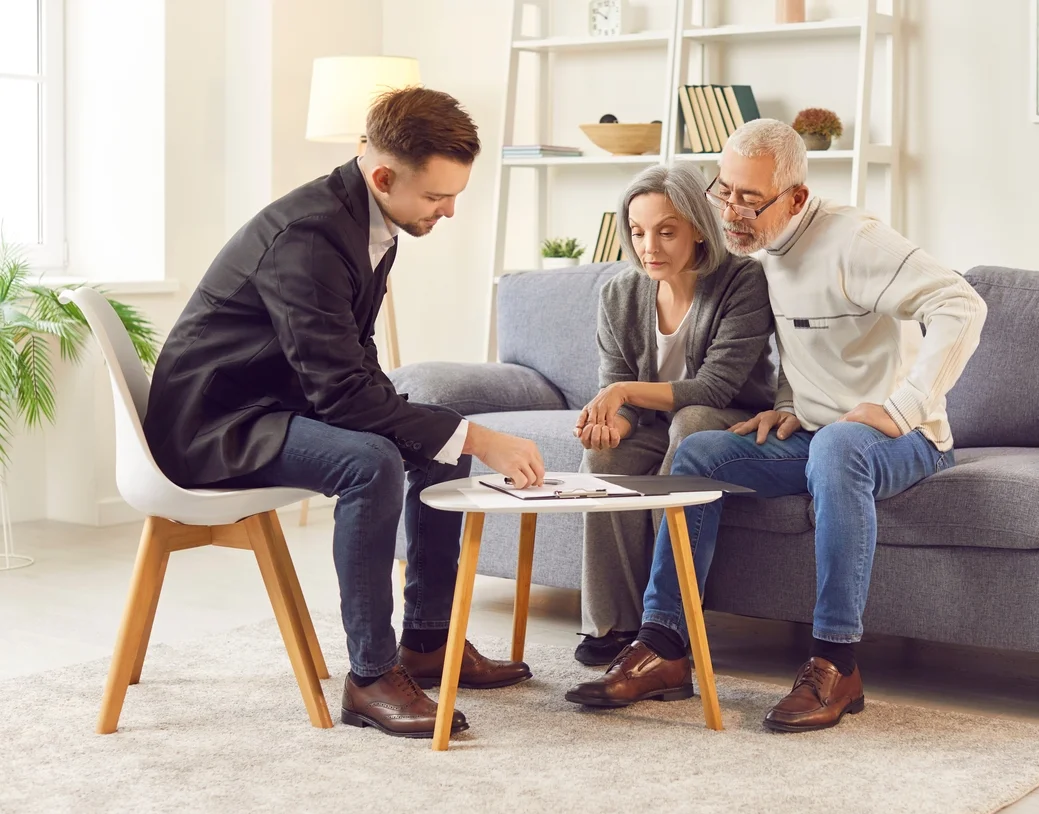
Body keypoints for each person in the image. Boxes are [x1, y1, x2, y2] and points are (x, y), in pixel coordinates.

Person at [144, 88, 546, 740]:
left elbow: (350, 362)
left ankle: (429, 639)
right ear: (383, 176)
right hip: (214, 425)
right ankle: (369, 674)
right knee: (374, 459)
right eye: (437, 197)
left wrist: (453, 432)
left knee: (440, 438)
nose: (448, 211)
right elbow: (340, 394)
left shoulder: (378, 219)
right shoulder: (307, 237)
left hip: (275, 401)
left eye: (456, 195)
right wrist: (477, 434)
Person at [566, 119, 988, 733]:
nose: (730, 212)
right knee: (702, 451)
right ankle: (665, 644)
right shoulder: (761, 252)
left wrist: (906, 407)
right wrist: (790, 403)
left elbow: (961, 305)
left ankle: (835, 662)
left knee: (841, 444)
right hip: (815, 440)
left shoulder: (855, 239)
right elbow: (805, 341)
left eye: (748, 199)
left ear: (794, 197)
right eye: (724, 191)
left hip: (906, 443)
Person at [572, 164, 775, 666]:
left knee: (688, 429)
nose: (650, 248)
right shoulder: (618, 294)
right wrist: (609, 427)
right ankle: (613, 625)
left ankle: (666, 624)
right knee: (602, 462)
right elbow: (618, 395)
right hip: (654, 424)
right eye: (638, 233)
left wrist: (621, 393)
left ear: (698, 229)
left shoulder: (742, 280)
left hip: (730, 417)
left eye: (666, 231)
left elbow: (716, 385)